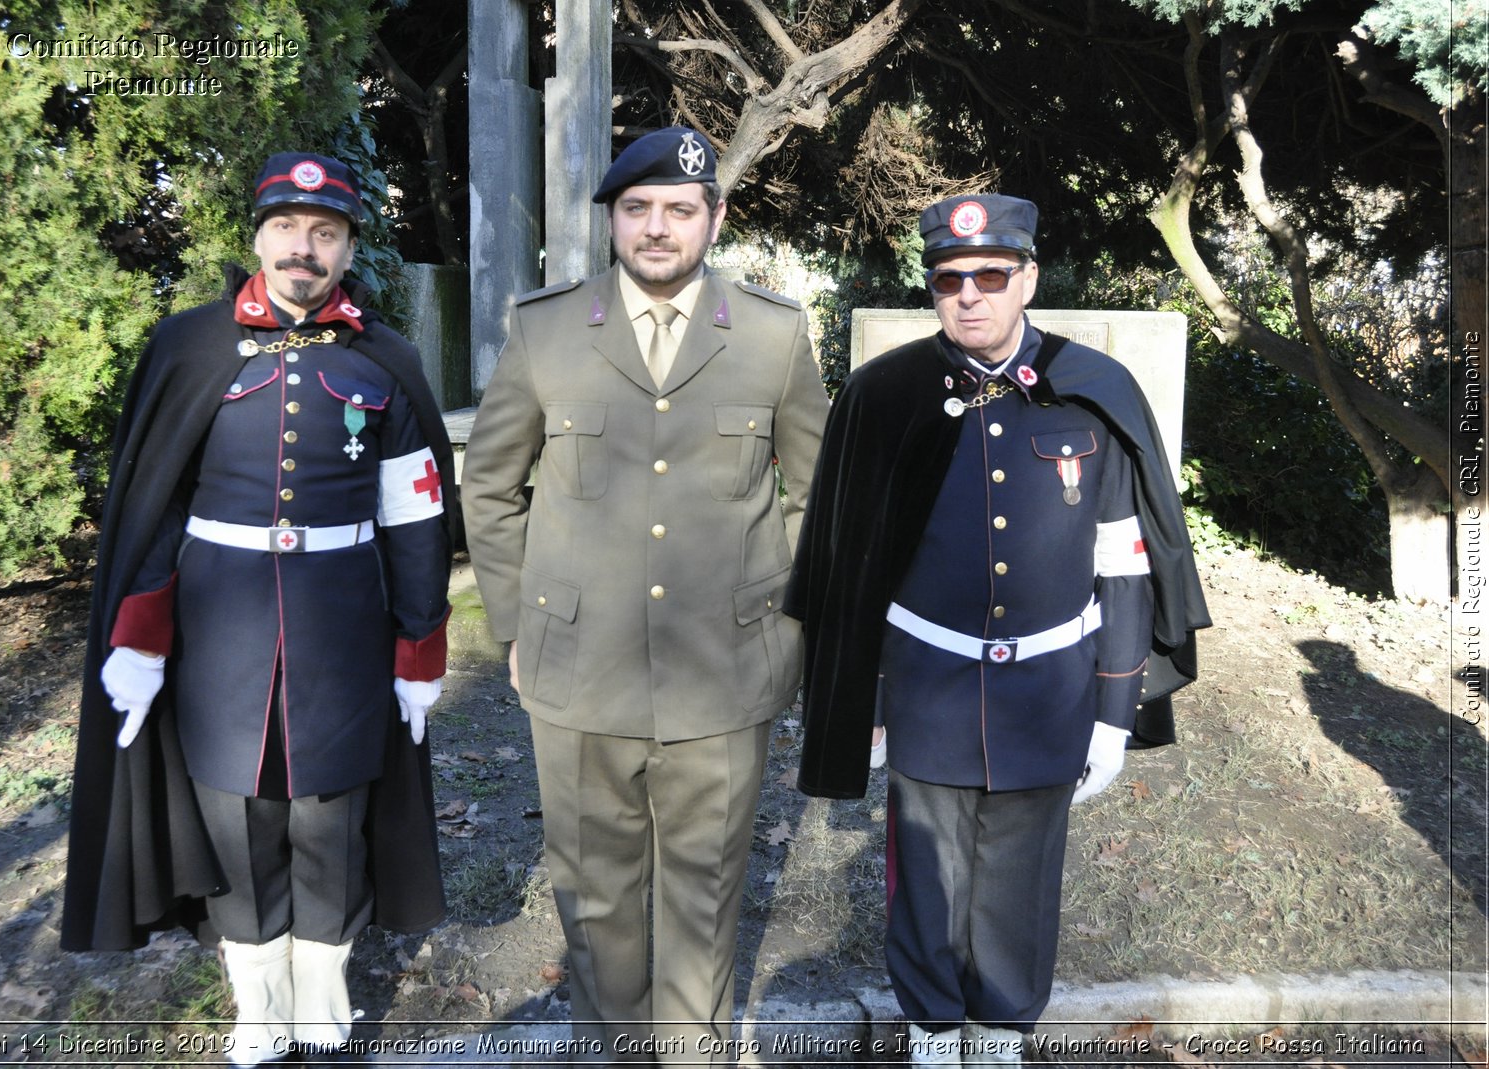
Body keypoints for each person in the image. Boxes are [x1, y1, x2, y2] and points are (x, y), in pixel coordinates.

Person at [787, 194, 1210, 1065]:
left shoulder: (1093, 392)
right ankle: (936, 1033)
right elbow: (852, 564)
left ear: (1029, 279)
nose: (970, 295)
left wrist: (1114, 708)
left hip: (1050, 690)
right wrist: (861, 699)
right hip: (926, 689)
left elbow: (1124, 563)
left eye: (991, 275)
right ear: (933, 288)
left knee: (1020, 881)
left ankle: (1001, 1037)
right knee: (926, 881)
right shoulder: (883, 396)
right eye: (950, 279)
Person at [61, 152, 456, 1066]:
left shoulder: (385, 362)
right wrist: (141, 638)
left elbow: (416, 509)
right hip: (219, 636)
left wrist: (421, 641)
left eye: (324, 233)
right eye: (286, 229)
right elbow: (156, 505)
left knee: (328, 819)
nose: (302, 249)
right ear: (256, 238)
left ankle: (323, 1001)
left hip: (343, 631)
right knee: (236, 817)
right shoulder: (188, 346)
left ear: (349, 249)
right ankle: (258, 1006)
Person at [460, 126, 829, 1062]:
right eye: (637, 210)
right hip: (580, 671)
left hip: (726, 670)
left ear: (714, 217)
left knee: (705, 897)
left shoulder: (774, 336)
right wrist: (515, 621)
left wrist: (779, 617)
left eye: (677, 209)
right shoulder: (546, 330)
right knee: (595, 896)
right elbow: (491, 485)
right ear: (612, 220)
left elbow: (815, 494)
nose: (657, 228)